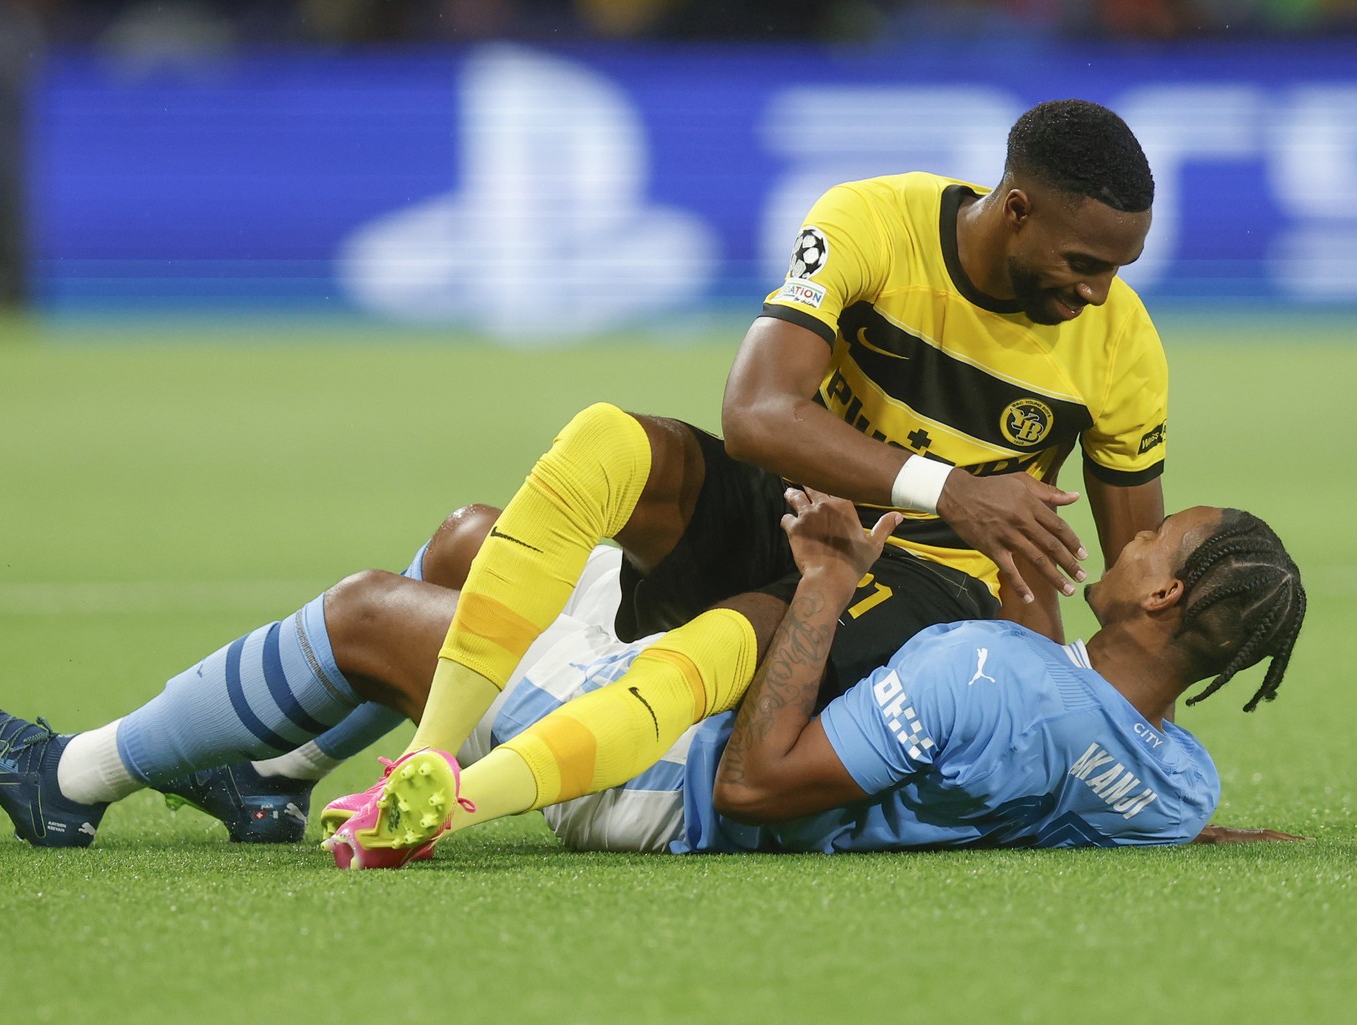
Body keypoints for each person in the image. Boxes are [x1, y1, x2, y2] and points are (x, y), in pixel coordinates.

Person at [332, 98, 1172, 846]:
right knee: (604, 440)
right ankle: (421, 760)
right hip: (795, 501)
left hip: (928, 580)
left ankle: (453, 802)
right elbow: (757, 415)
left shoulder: (1122, 346)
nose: (1100, 293)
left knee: (736, 630)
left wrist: (1141, 781)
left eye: (1118, 269)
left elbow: (1142, 596)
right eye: (1085, 264)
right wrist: (950, 485)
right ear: (1016, 210)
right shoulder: (876, 220)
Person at [319, 490, 1306, 867]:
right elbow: (1099, 771)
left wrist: (826, 587)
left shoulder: (987, 667)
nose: (1133, 534)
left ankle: (282, 765)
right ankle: (326, 766)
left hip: (662, 773)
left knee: (369, 609)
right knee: (471, 539)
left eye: (1154, 540)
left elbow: (752, 784)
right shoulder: (1179, 788)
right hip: (693, 719)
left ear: (1165, 594)